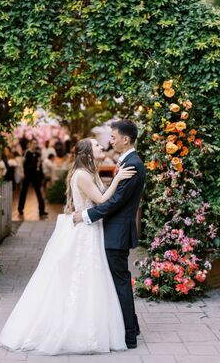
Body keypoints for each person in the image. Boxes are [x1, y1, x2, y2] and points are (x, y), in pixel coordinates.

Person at [0, 138, 136, 354]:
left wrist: (114, 179)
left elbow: (98, 196)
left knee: (91, 280)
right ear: (88, 152)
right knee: (82, 278)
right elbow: (101, 200)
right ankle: (74, 329)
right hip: (85, 232)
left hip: (91, 229)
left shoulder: (90, 172)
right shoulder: (82, 174)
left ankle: (90, 326)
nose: (102, 147)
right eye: (97, 146)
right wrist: (118, 179)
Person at [73, 119, 146, 349]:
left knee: (120, 283)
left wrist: (86, 216)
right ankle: (132, 326)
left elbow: (114, 202)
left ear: (125, 139)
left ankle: (129, 336)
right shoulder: (126, 161)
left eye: (113, 137)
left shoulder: (132, 164)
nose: (110, 141)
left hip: (117, 233)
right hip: (114, 231)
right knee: (119, 281)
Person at [18, 139, 48, 219]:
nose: (35, 145)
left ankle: (42, 210)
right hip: (26, 175)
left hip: (35, 175)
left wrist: (39, 165)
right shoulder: (26, 152)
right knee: (23, 192)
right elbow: (21, 163)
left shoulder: (38, 153)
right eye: (33, 143)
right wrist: (22, 173)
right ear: (30, 144)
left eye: (36, 143)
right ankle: (20, 209)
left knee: (39, 192)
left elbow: (38, 164)